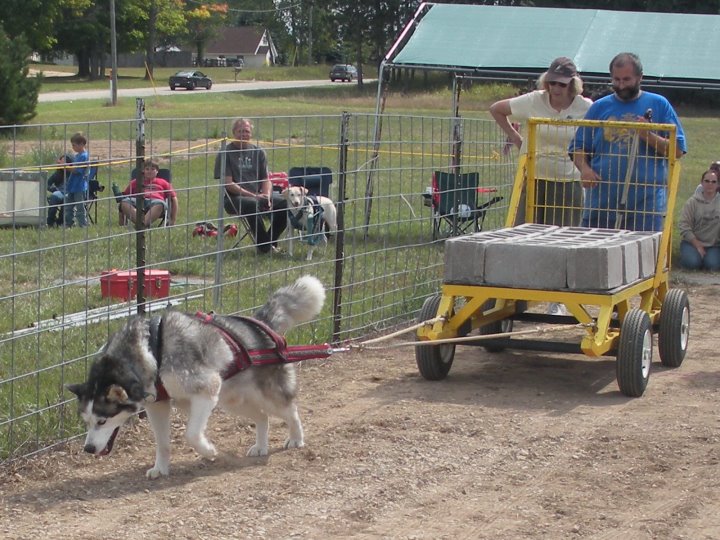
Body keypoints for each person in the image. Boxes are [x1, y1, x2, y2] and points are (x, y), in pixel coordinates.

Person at [569, 52, 687, 232]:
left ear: (640, 77)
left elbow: (678, 150)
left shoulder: (659, 104)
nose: (621, 85)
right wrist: (585, 169)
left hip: (646, 205)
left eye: (626, 79)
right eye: (616, 80)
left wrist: (648, 136)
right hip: (602, 202)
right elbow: (578, 146)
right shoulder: (599, 107)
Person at [490, 57, 592, 227]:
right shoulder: (534, 100)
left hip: (568, 181)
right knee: (525, 233)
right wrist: (517, 139)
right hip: (533, 177)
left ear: (573, 84)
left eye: (562, 84)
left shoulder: (586, 106)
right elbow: (496, 109)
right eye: (552, 82)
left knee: (564, 236)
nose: (556, 88)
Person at [215, 118, 287, 254]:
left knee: (286, 202)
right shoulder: (225, 154)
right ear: (233, 132)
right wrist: (254, 196)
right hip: (234, 198)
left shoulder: (259, 152)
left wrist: (266, 195)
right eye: (240, 131)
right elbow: (228, 183)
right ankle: (265, 248)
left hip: (258, 195)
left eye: (246, 131)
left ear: (251, 133)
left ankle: (269, 241)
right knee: (252, 204)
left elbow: (266, 179)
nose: (244, 134)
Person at [678, 169, 720, 270]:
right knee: (691, 264)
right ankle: (689, 257)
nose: (710, 184)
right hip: (692, 243)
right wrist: (697, 244)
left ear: (718, 184)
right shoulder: (692, 202)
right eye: (707, 181)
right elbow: (684, 225)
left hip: (713, 245)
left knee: (713, 265)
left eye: (713, 182)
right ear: (701, 183)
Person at [119, 159, 178, 227]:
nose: (150, 171)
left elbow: (174, 199)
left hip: (155, 202)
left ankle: (143, 224)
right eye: (147, 169)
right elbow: (125, 195)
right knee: (125, 202)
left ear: (157, 171)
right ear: (143, 171)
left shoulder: (163, 182)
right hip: (138, 201)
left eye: (152, 169)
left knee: (160, 204)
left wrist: (173, 219)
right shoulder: (136, 182)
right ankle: (140, 223)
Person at [62, 132, 90, 227]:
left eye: (74, 145)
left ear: (81, 144)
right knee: (68, 207)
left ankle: (83, 225)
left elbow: (77, 171)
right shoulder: (77, 156)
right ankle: (68, 223)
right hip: (72, 185)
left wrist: (65, 166)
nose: (73, 147)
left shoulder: (84, 156)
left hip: (79, 186)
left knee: (80, 207)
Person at [46, 152, 73, 227]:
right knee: (54, 197)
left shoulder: (72, 173)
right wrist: (53, 189)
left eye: (63, 161)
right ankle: (50, 221)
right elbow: (47, 183)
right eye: (60, 161)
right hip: (60, 192)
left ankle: (60, 221)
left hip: (71, 193)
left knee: (66, 199)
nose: (60, 163)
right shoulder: (57, 174)